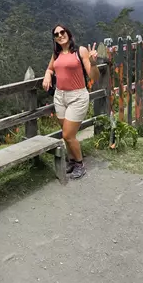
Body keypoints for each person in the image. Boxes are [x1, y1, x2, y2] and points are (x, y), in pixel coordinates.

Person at [42, 25, 99, 179]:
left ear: (68, 33)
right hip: (60, 96)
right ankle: (72, 161)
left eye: (62, 32)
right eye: (56, 34)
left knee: (67, 134)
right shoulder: (56, 54)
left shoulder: (80, 51)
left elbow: (94, 77)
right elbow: (50, 68)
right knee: (65, 132)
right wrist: (48, 75)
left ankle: (80, 164)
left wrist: (93, 63)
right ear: (54, 38)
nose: (60, 35)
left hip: (77, 97)